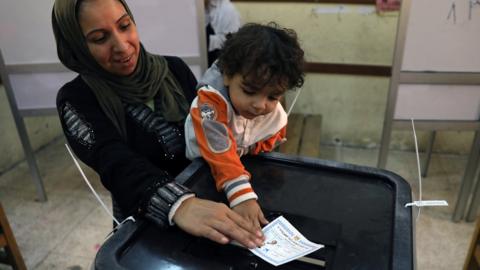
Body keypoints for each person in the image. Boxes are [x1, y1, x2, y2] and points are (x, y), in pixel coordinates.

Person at [51, 0, 264, 249]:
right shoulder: (77, 98)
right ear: (77, 46)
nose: (121, 46)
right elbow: (115, 162)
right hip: (146, 221)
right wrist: (179, 204)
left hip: (212, 206)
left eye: (124, 26)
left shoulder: (174, 69)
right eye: (100, 38)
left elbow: (210, 125)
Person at [185, 23, 305, 231]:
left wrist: (256, 149)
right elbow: (219, 149)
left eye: (272, 96)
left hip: (241, 172)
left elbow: (273, 135)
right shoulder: (208, 105)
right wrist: (242, 196)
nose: (259, 105)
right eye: (249, 91)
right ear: (227, 76)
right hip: (200, 172)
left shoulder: (272, 112)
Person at [204, 0, 241, 66]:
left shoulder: (228, 10)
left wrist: (206, 40)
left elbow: (232, 41)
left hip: (221, 60)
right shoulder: (196, 8)